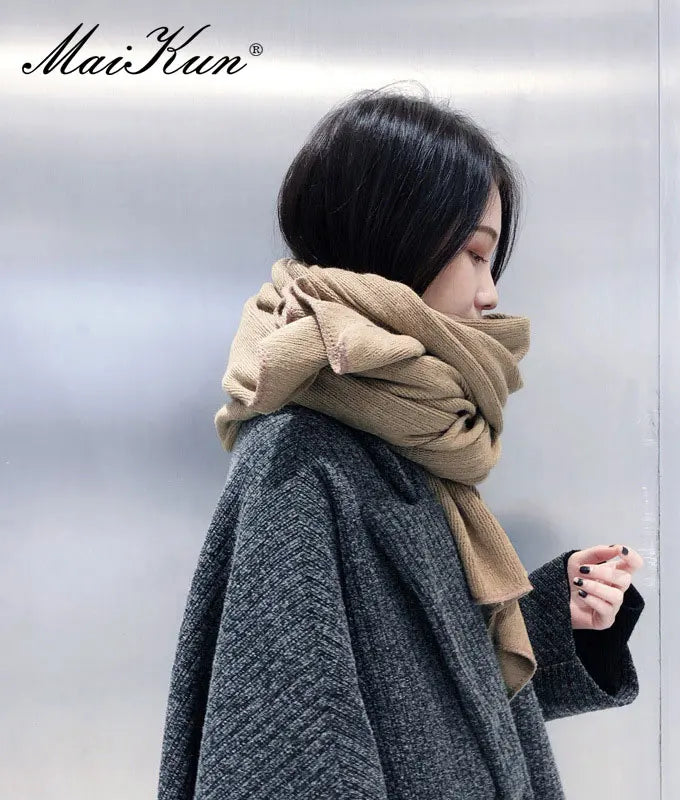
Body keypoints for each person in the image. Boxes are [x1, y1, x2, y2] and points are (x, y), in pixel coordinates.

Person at [157, 83, 645, 800]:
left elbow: (426, 699)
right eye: (475, 253)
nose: (490, 295)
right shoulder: (302, 460)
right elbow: (290, 760)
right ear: (400, 237)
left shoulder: (400, 438)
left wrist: (550, 616)